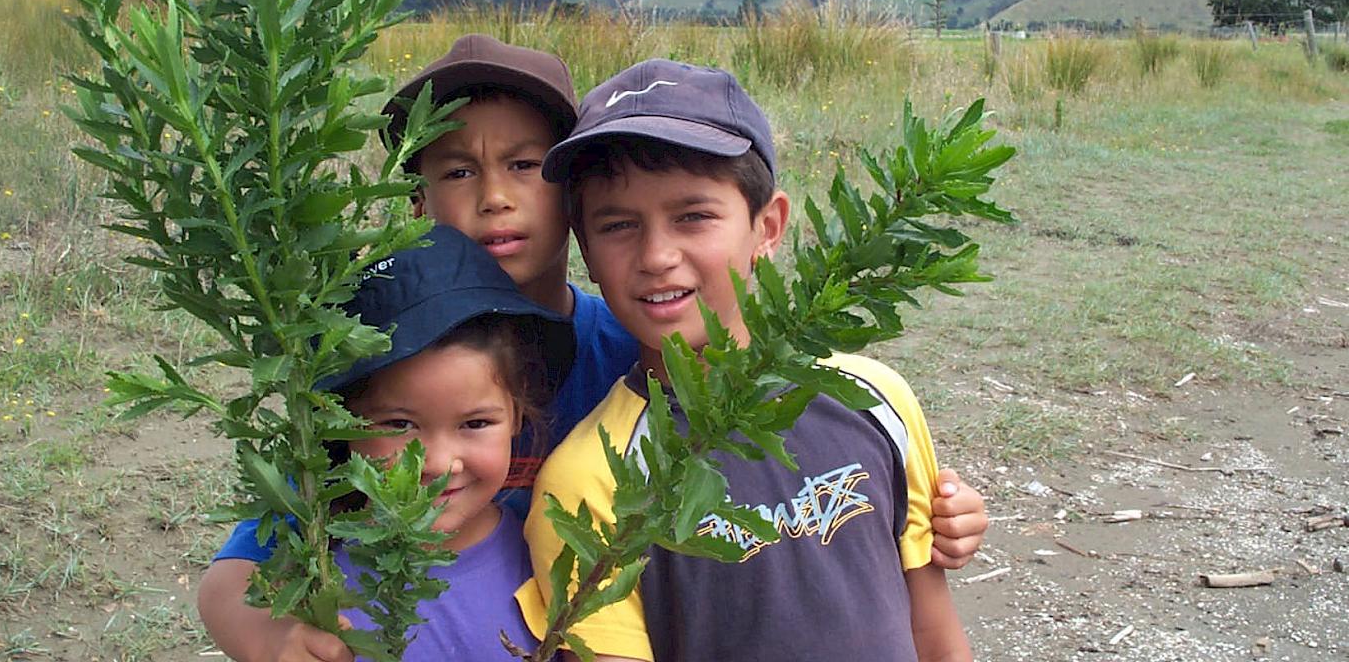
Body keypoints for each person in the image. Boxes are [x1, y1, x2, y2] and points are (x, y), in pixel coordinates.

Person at [198, 36, 987, 662]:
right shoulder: (386, 359)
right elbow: (244, 562)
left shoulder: (633, 346)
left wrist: (930, 507)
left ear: (566, 203)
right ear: (415, 199)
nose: (494, 196)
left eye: (522, 166)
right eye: (457, 169)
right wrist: (267, 636)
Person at [516, 59, 973, 661]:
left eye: (693, 216)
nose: (656, 255)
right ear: (587, 254)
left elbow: (933, 631)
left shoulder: (875, 399)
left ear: (768, 226)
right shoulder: (586, 487)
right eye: (619, 225)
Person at [314, 224, 573, 661]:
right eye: (399, 425)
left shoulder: (550, 560)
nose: (436, 463)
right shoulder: (314, 575)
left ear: (516, 415)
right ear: (343, 423)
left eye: (474, 423)